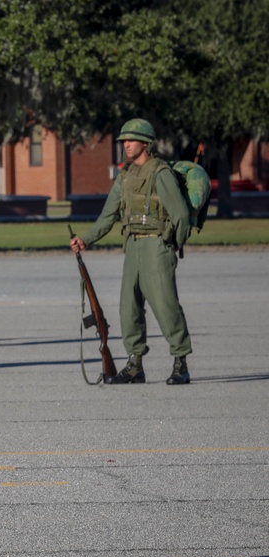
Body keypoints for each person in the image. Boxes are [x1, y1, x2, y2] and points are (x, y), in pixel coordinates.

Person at [70, 118, 192, 385]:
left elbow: (181, 215)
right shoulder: (125, 176)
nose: (126, 144)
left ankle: (180, 362)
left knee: (165, 306)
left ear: (146, 143)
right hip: (133, 247)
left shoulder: (160, 173)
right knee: (129, 308)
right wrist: (86, 239)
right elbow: (108, 215)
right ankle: (135, 364)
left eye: (131, 140)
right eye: (124, 140)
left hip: (157, 246)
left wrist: (172, 243)